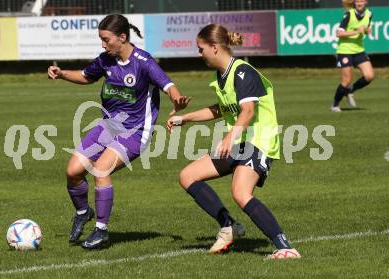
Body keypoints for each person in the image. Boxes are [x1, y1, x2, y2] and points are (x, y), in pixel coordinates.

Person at [47, 14, 190, 250]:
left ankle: (101, 231)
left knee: (101, 169)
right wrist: (61, 73)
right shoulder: (106, 60)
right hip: (108, 127)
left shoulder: (144, 62)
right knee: (72, 171)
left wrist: (178, 100)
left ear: (122, 37)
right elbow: (85, 76)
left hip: (135, 132)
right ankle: (83, 212)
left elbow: (168, 85)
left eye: (106, 39)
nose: (103, 45)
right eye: (101, 40)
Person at [167, 24, 301, 259]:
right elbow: (221, 109)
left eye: (201, 49)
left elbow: (248, 111)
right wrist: (185, 118)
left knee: (240, 192)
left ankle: (285, 247)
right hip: (240, 142)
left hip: (259, 140)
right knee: (187, 176)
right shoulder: (221, 76)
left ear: (215, 47)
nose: (199, 54)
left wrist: (230, 136)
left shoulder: (243, 72)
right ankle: (230, 226)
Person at [331, 0, 374, 112]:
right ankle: (335, 105)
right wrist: (356, 32)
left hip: (359, 50)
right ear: (354, 3)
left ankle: (350, 91)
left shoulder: (369, 14)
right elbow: (338, 33)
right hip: (345, 50)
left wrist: (367, 31)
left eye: (362, 1)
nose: (359, 3)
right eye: (357, 1)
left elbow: (365, 29)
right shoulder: (349, 15)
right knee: (346, 80)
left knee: (369, 76)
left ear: (366, 2)